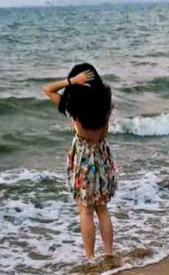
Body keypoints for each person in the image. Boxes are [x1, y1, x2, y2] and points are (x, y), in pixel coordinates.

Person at [43, 63, 117, 258]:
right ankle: (109, 254)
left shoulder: (73, 107)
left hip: (83, 159)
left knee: (86, 210)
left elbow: (48, 89)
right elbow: (105, 133)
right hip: (102, 155)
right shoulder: (106, 104)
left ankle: (90, 258)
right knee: (102, 209)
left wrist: (71, 81)